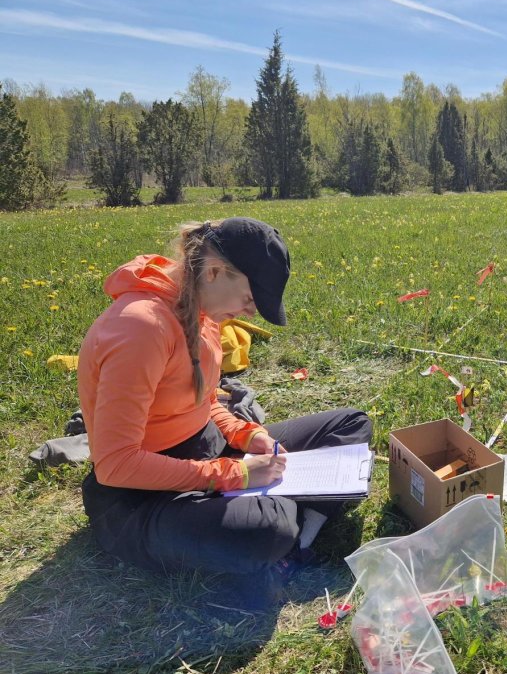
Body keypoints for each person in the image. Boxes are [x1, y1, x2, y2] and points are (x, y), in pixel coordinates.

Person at [79, 217, 372, 599]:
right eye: (250, 300)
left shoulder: (203, 310)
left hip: (205, 450)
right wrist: (233, 475)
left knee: (352, 424)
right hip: (140, 498)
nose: (250, 313)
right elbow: (117, 465)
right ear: (216, 272)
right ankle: (289, 530)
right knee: (270, 529)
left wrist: (245, 434)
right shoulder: (141, 327)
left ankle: (295, 540)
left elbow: (203, 402)